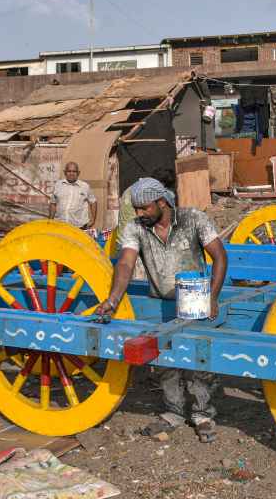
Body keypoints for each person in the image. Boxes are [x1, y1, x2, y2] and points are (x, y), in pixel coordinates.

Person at [96, 178, 228, 442]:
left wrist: (212, 297)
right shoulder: (136, 228)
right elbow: (125, 264)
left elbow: (220, 256)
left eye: (144, 208)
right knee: (165, 360)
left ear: (162, 202)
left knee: (197, 358)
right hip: (159, 301)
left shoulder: (193, 219)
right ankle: (174, 411)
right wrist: (112, 299)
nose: (140, 214)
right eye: (137, 209)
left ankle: (202, 413)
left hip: (194, 299)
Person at [49, 162, 97, 230]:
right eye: (69, 171)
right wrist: (50, 220)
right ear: (65, 172)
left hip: (79, 227)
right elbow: (53, 203)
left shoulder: (85, 186)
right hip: (60, 225)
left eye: (74, 171)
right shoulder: (58, 185)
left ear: (78, 173)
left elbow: (93, 202)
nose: (71, 173)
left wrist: (93, 220)